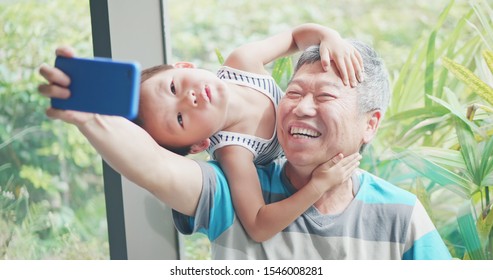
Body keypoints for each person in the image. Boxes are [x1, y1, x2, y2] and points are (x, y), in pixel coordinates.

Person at [38, 37, 451, 260]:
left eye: (324, 97)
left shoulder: (402, 215)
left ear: (370, 125)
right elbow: (154, 166)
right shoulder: (231, 186)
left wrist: (329, 37)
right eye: (293, 91)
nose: (301, 108)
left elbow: (294, 34)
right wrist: (93, 119)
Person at [40, 23, 363, 243]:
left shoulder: (243, 62)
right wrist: (318, 186)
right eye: (180, 118)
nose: (188, 99)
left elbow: (294, 37)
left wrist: (328, 36)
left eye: (173, 87)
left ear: (183, 67)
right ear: (198, 145)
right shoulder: (235, 152)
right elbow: (258, 225)